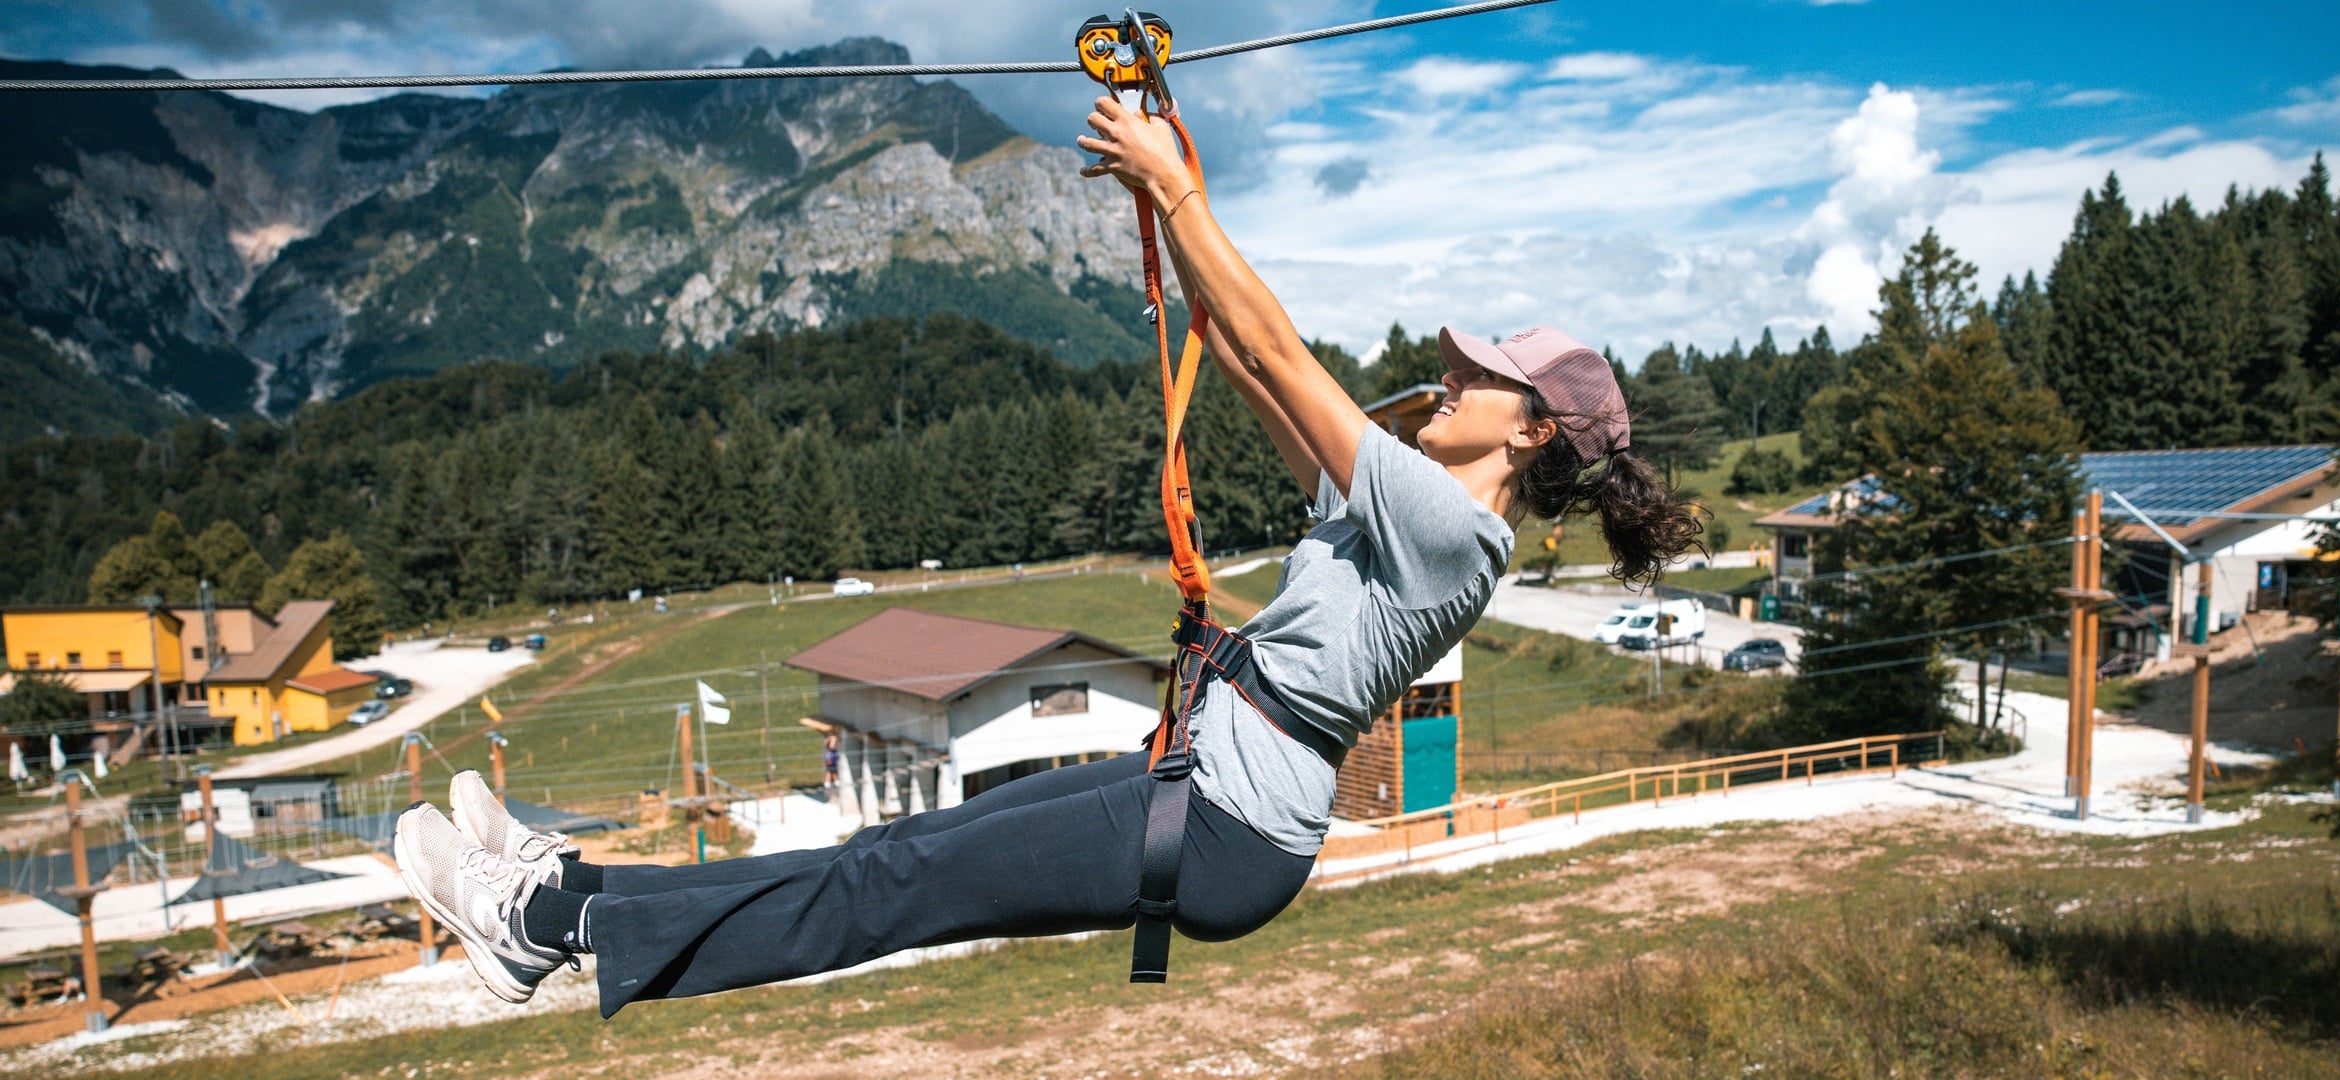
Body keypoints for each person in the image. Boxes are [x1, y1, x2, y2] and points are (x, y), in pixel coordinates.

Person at [393, 95, 1704, 1016]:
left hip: (1230, 825)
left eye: (1485, 372)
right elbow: (1251, 356)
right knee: (881, 860)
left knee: (891, 881)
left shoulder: (1447, 525)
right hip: (1205, 786)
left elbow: (1292, 355)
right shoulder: (1404, 503)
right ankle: (567, 890)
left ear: (1530, 429)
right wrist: (1180, 229)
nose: (1455, 369)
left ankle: (550, 932)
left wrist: (1177, 191)